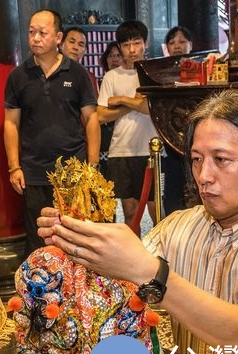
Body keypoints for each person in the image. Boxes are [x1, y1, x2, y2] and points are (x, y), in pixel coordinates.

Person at [37, 89, 238, 354]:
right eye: (197, 160)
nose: (204, 175)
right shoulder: (177, 227)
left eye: (221, 159)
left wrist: (153, 274)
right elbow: (115, 287)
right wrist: (77, 238)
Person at [4, 9, 99, 256]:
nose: (35, 38)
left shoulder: (77, 74)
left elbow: (91, 118)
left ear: (58, 38)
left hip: (73, 170)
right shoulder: (18, 76)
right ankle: (41, 293)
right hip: (34, 171)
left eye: (42, 33)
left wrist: (92, 165)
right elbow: (11, 123)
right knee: (40, 239)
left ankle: (78, 290)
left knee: (76, 235)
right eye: (31, 32)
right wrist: (14, 167)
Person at [97, 20, 158, 232]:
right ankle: (131, 262)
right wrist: (134, 102)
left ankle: (161, 259)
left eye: (136, 43)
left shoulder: (154, 73)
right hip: (121, 151)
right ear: (120, 47)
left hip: (153, 150)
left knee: (157, 212)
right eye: (126, 45)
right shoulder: (111, 76)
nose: (132, 50)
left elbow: (153, 109)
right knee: (130, 214)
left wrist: (122, 99)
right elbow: (101, 116)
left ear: (145, 43)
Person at [162, 26, 193, 215]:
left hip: (195, 138)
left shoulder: (201, 66)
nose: (177, 46)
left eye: (182, 42)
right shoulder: (160, 71)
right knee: (172, 194)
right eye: (172, 42)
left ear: (191, 45)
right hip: (171, 138)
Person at [97, 41, 123, 177]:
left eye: (118, 55)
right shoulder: (99, 83)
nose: (114, 59)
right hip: (102, 140)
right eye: (110, 55)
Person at [59, 26, 98, 95]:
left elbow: (93, 104)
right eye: (72, 42)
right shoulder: (50, 72)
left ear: (85, 51)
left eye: (80, 44)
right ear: (61, 45)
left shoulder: (89, 77)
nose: (75, 47)